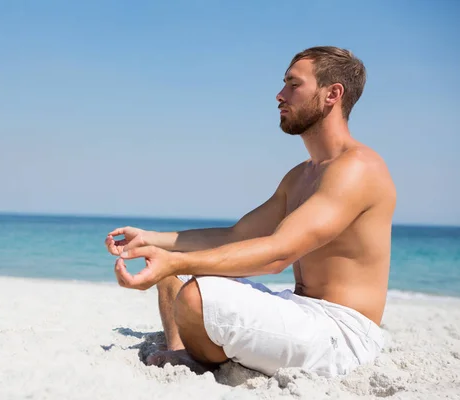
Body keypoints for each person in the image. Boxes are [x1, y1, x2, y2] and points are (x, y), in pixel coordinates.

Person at [105, 46, 396, 378]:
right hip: (300, 309)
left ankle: (194, 354)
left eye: (293, 84)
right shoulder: (301, 174)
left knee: (195, 293)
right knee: (175, 277)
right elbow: (236, 236)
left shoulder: (357, 168)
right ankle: (184, 353)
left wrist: (176, 259)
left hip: (342, 333)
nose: (280, 95)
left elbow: (277, 255)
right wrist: (153, 240)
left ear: (333, 94)